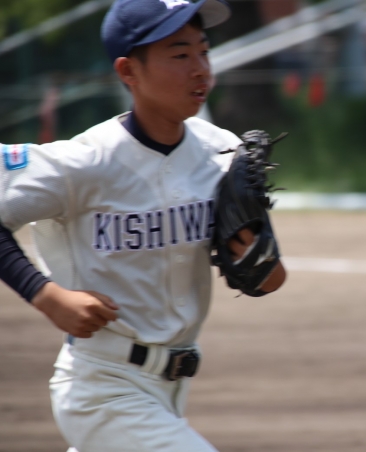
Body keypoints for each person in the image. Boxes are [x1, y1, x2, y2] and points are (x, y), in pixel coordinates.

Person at [0, 0, 285, 450]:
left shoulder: (221, 151)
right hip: (102, 389)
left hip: (169, 390)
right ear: (129, 71)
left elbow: (269, 279)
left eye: (203, 51)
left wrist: (261, 260)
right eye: (180, 54)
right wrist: (47, 295)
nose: (200, 68)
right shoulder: (85, 162)